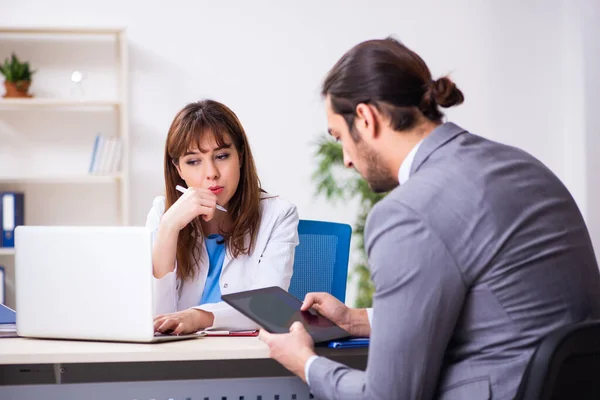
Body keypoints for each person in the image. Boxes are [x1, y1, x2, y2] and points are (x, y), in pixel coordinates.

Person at [259, 38, 600, 399]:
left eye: (340, 137)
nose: (345, 159)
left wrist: (306, 363)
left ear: (366, 118)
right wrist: (357, 320)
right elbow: (498, 313)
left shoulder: (407, 212)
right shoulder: (523, 166)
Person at [146, 99, 299, 334]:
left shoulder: (279, 215)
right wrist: (168, 227)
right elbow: (155, 318)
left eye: (221, 156)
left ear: (240, 157)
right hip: (175, 360)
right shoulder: (163, 213)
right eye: (194, 161)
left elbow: (269, 309)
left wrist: (199, 317)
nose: (211, 174)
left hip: (243, 359)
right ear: (179, 170)